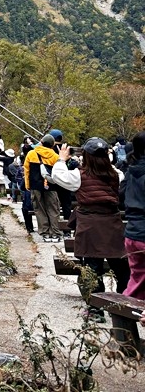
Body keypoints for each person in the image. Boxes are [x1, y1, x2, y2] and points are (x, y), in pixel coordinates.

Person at [51, 138, 129, 314]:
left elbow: (57, 176)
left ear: (86, 156)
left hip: (89, 225)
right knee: (120, 267)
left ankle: (95, 310)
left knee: (92, 269)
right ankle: (123, 305)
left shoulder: (79, 175)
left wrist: (61, 159)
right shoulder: (116, 174)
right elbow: (115, 171)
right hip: (112, 225)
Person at [24, 133, 63, 241]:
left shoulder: (31, 153)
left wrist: (28, 185)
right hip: (51, 186)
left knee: (39, 209)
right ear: (52, 145)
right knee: (53, 209)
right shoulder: (55, 156)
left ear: (41, 143)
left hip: (35, 185)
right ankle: (55, 232)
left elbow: (26, 170)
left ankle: (44, 232)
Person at [123, 131, 145, 299]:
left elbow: (120, 195)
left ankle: (124, 309)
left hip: (132, 233)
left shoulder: (131, 171)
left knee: (137, 279)